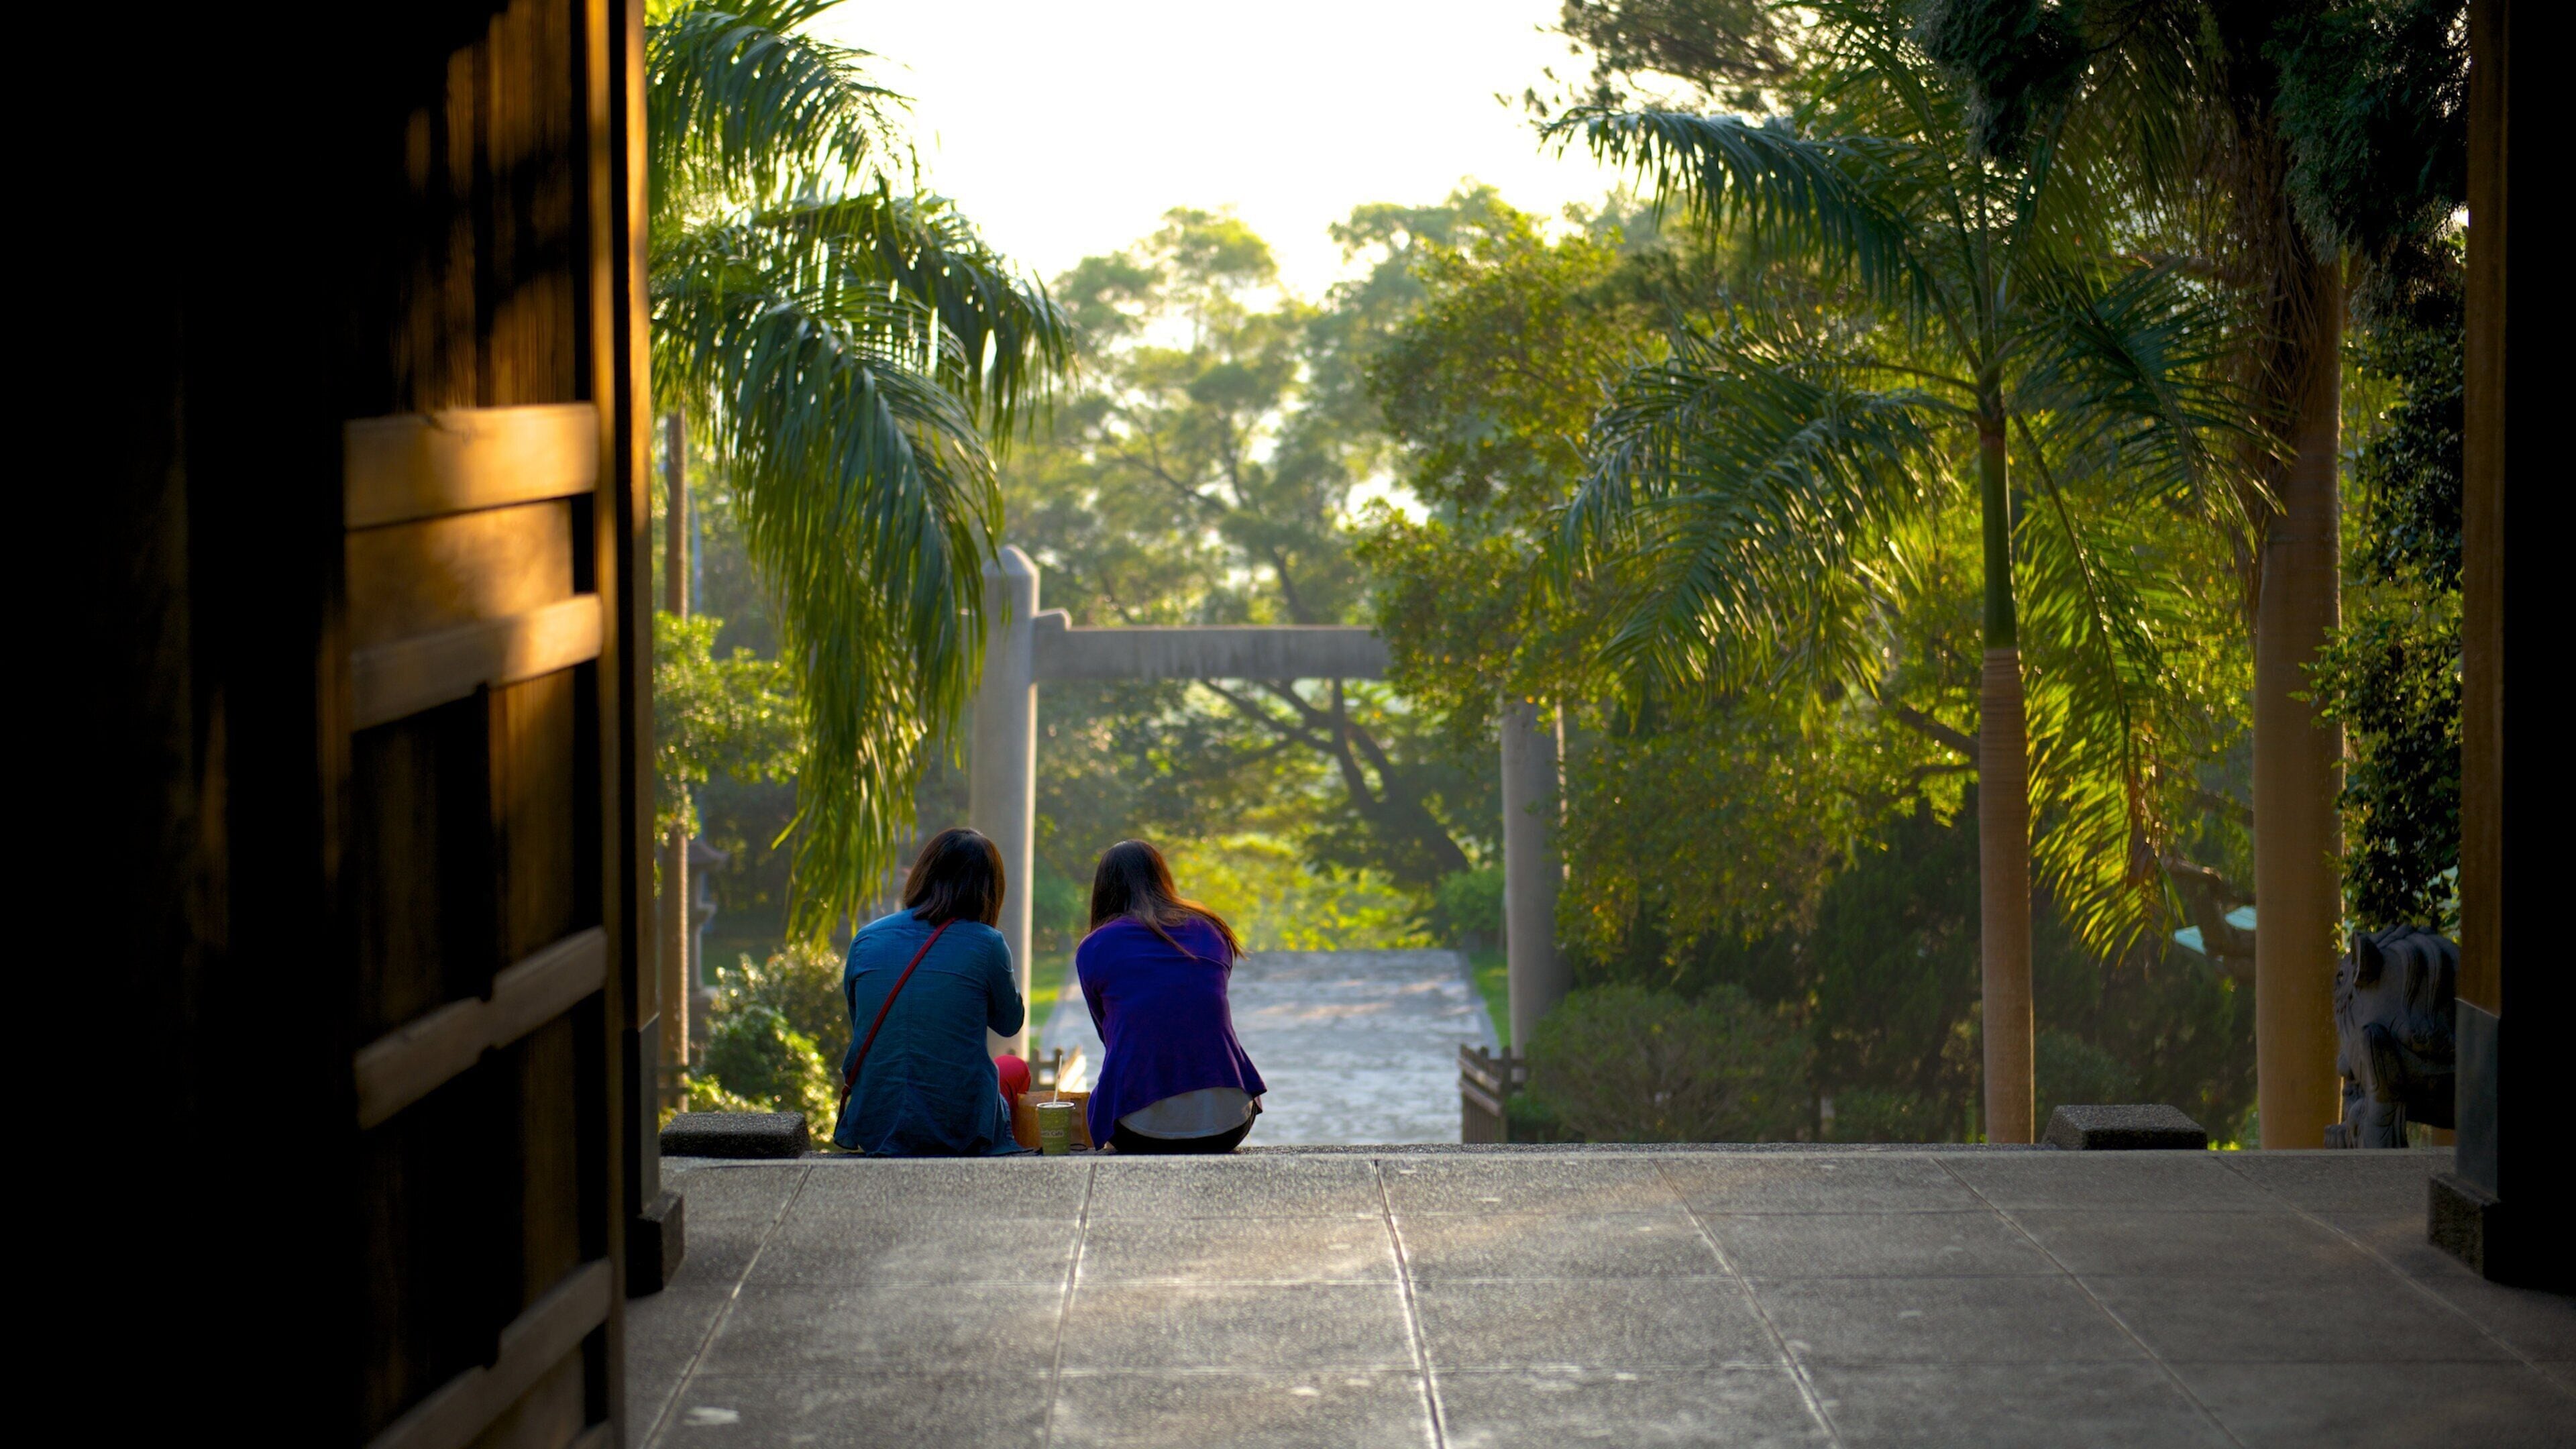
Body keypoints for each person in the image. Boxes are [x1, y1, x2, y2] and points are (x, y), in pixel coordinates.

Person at [832, 828, 1028, 1156]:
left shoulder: (866, 939)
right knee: (1014, 1069)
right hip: (956, 1126)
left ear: (923, 874)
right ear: (988, 889)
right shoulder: (987, 943)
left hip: (876, 1122)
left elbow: (861, 1023)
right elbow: (1010, 1023)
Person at [1077, 840, 1267, 1153]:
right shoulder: (1209, 929)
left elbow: (1109, 1036)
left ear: (1104, 890)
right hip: (1230, 1122)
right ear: (1162, 878)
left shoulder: (1095, 947)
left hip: (1138, 1129)